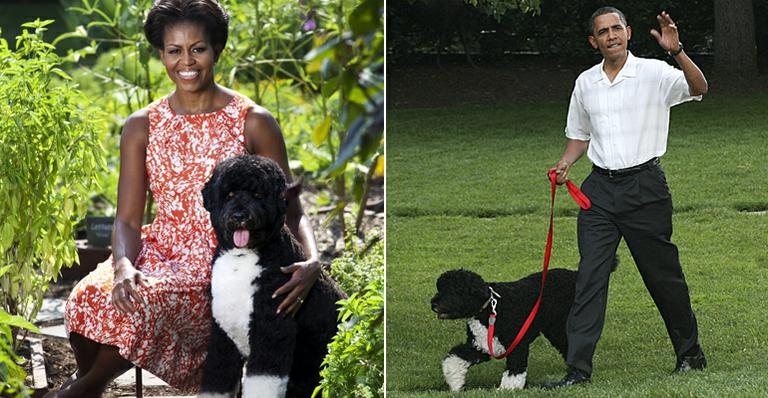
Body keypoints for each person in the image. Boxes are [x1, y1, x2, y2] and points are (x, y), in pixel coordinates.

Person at [46, 0, 321, 396]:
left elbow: (291, 208)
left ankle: (83, 389)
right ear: (161, 54)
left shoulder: (253, 120)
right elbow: (126, 219)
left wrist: (312, 259)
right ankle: (87, 386)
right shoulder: (142, 125)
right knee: (86, 296)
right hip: (158, 250)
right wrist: (123, 265)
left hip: (225, 260)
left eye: (198, 48)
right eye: (174, 50)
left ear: (217, 50)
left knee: (142, 306)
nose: (186, 61)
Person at [544, 7, 708, 389]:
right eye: (602, 31)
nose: (611, 35)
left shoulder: (654, 73)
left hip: (645, 188)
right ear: (594, 41)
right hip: (599, 191)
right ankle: (578, 370)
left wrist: (677, 51)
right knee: (589, 278)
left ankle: (690, 354)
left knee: (662, 277)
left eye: (617, 28)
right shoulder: (585, 83)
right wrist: (566, 162)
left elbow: (700, 88)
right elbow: (579, 135)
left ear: (629, 32)